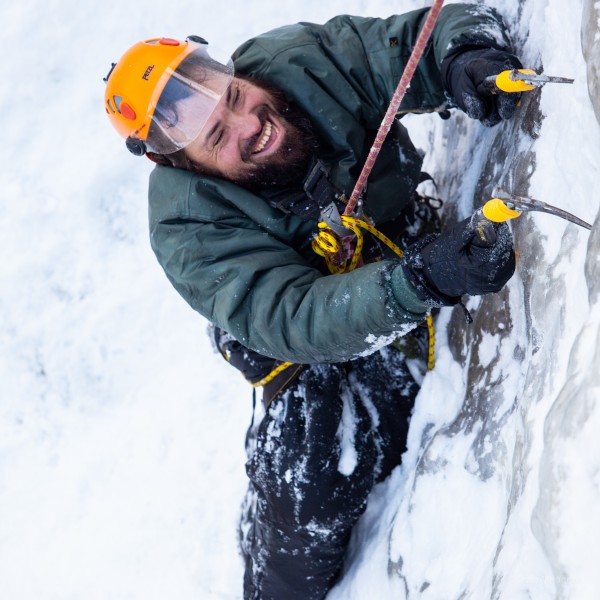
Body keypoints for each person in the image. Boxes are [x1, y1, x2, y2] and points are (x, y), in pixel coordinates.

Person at [104, 4, 519, 598]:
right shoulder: (186, 226)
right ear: (177, 162)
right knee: (312, 486)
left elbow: (423, 38)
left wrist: (464, 62)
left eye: (235, 98)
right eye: (218, 137)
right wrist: (421, 282)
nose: (250, 124)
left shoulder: (293, 63)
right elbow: (293, 316)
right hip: (307, 350)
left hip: (394, 249)